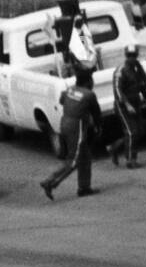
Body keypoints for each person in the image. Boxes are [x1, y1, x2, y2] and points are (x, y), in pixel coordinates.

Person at [40, 65, 103, 200]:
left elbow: (62, 100)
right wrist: (98, 127)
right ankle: (50, 182)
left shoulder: (69, 90)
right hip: (77, 127)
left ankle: (84, 188)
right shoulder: (89, 95)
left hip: (65, 123)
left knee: (85, 157)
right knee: (74, 160)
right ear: (88, 82)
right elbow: (97, 114)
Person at [108, 43, 146, 168]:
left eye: (134, 56)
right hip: (123, 105)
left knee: (140, 131)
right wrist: (127, 105)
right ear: (127, 56)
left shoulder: (137, 68)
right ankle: (131, 160)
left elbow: (143, 82)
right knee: (132, 132)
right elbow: (117, 90)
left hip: (136, 102)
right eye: (130, 56)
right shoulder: (121, 70)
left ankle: (114, 148)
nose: (132, 58)